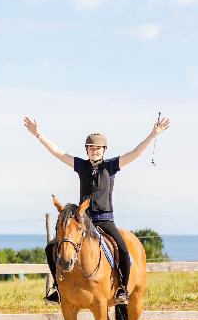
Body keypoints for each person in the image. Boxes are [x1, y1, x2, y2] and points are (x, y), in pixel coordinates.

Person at [24, 115, 170, 305]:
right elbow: (59, 153)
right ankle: (58, 290)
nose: (95, 151)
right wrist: (38, 134)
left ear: (104, 150)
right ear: (87, 150)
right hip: (83, 221)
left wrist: (153, 134)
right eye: (91, 148)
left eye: (98, 148)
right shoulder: (81, 166)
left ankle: (122, 290)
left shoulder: (111, 166)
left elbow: (135, 153)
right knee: (51, 247)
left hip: (105, 219)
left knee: (124, 251)